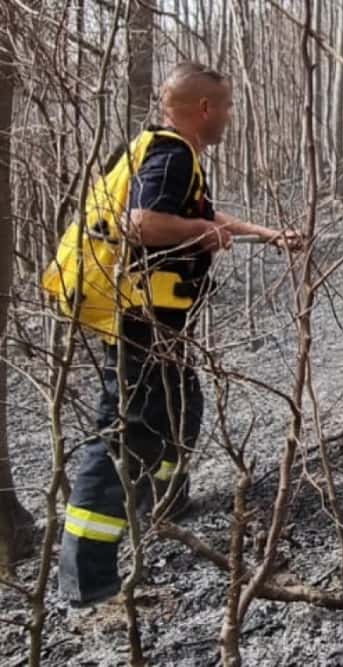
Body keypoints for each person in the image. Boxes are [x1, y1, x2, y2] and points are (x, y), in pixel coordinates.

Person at [58, 62, 301, 606]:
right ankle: (87, 578)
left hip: (155, 319)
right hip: (138, 317)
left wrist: (267, 234)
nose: (231, 117)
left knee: (181, 406)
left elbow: (204, 215)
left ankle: (164, 507)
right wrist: (201, 232)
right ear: (205, 109)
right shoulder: (172, 154)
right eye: (228, 107)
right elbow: (141, 223)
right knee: (125, 429)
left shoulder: (162, 150)